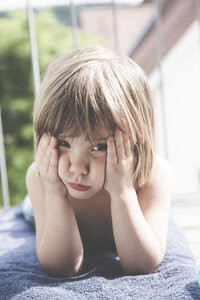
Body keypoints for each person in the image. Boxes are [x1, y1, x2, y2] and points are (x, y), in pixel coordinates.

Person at [26, 46, 172, 278]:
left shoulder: (154, 174)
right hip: (40, 207)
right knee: (27, 213)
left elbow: (141, 265)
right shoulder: (41, 178)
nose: (77, 168)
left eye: (99, 147)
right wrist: (55, 194)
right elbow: (62, 267)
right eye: (63, 142)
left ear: (134, 142)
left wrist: (123, 192)